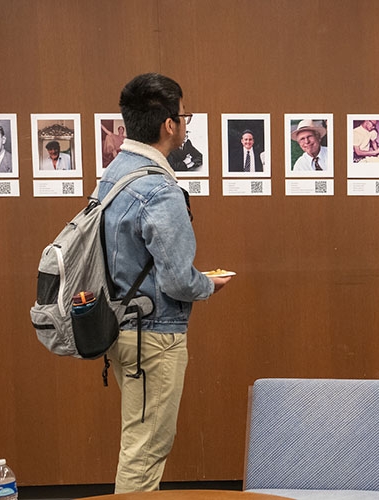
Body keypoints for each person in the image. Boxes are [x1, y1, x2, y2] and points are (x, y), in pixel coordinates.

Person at [98, 73, 232, 493]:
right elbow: (176, 280)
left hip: (121, 325)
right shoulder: (159, 188)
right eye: (183, 115)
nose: (185, 124)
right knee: (146, 447)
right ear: (169, 125)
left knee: (140, 439)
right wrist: (208, 285)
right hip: (154, 336)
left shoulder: (115, 173)